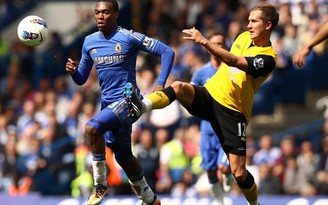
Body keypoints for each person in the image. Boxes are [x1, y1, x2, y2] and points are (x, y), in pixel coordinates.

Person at [125, 2, 279, 205]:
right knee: (179, 87)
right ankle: (141, 106)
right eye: (248, 20)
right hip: (211, 94)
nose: (248, 25)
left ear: (267, 25)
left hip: (233, 112)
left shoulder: (269, 58)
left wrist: (204, 41)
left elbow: (235, 62)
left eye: (254, 21)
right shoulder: (242, 37)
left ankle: (255, 204)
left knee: (239, 173)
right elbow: (226, 64)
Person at [65, 0, 175, 205]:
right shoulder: (89, 41)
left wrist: (160, 84)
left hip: (127, 101)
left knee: (91, 129)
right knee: (123, 156)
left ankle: (100, 183)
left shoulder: (128, 37)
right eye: (97, 13)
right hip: (107, 104)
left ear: (116, 14)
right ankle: (150, 199)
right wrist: (74, 72)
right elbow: (82, 78)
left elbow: (167, 52)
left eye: (105, 12)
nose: (100, 16)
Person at [190, 30, 233, 205]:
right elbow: (191, 96)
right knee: (210, 170)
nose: (217, 46)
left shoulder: (231, 69)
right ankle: (219, 201)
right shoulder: (201, 73)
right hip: (207, 128)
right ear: (208, 48)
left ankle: (228, 173)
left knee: (223, 166)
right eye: (214, 43)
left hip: (226, 126)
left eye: (221, 43)